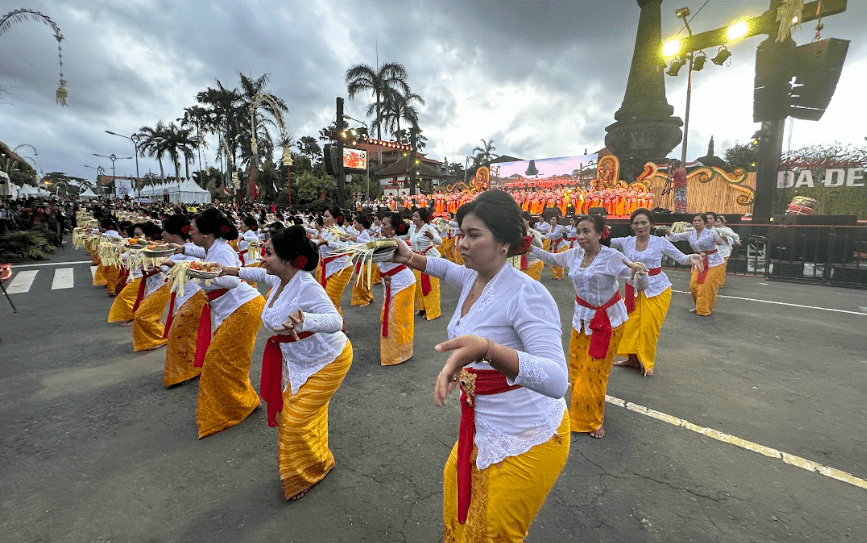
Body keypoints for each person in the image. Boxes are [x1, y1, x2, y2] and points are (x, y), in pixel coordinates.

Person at [392, 190, 570, 541]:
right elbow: (445, 268)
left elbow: (556, 380)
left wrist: (487, 349)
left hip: (528, 436)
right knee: (458, 507)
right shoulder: (475, 278)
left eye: (474, 235)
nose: (462, 244)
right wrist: (410, 256)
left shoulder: (526, 294)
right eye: (461, 234)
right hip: (482, 426)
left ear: (504, 243)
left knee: (492, 531)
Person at [220, 226, 352, 500]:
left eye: (267, 253)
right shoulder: (281, 279)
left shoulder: (307, 286)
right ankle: (317, 460)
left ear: (289, 260)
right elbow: (256, 272)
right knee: (303, 414)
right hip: (300, 359)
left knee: (293, 419)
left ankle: (307, 473)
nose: (262, 257)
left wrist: (306, 320)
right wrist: (229, 270)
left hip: (329, 359)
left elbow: (337, 321)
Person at [531, 214, 648, 438]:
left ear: (600, 233)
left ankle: (593, 421)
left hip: (608, 322)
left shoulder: (613, 257)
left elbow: (638, 283)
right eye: (579, 231)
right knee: (576, 369)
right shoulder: (574, 254)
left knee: (594, 372)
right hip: (582, 320)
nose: (581, 236)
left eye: (587, 231)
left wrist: (640, 274)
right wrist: (529, 247)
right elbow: (552, 259)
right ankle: (586, 408)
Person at [172, 208, 264, 438]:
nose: (189, 233)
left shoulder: (221, 250)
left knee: (218, 362)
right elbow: (199, 253)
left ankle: (237, 405)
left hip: (243, 309)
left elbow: (232, 281)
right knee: (228, 361)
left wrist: (198, 273)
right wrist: (183, 250)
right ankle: (243, 402)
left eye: (191, 230)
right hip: (234, 309)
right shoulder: (211, 247)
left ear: (205, 233)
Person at [611, 209, 702, 376]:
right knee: (627, 325)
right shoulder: (626, 241)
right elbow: (605, 241)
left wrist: (691, 258)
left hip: (657, 290)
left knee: (648, 329)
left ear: (651, 224)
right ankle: (631, 359)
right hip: (634, 288)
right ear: (631, 226)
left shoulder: (660, 242)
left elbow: (681, 258)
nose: (640, 226)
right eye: (636, 223)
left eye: (644, 222)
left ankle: (647, 362)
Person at [160, 214, 206, 387]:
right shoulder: (173, 249)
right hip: (183, 298)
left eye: (165, 230)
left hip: (194, 297)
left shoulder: (191, 249)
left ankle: (187, 370)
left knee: (178, 335)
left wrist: (166, 263)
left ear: (173, 233)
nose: (162, 234)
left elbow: (194, 266)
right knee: (185, 335)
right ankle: (191, 367)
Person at [376, 212, 416, 366]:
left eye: (385, 224)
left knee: (397, 319)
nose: (381, 226)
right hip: (389, 283)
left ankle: (399, 353)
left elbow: (407, 256)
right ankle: (391, 352)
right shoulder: (381, 241)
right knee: (387, 317)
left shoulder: (397, 242)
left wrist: (396, 242)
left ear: (393, 229)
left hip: (403, 283)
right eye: (382, 223)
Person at [666, 214, 725, 316]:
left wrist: (723, 237)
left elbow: (725, 242)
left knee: (705, 286)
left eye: (699, 220)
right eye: (695, 221)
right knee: (694, 285)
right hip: (699, 262)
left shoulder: (712, 233)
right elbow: (674, 237)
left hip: (714, 262)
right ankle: (698, 306)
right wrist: (667, 231)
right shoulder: (690, 234)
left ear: (704, 223)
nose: (697, 222)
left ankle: (704, 309)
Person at [129, 222, 171, 352]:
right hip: (151, 286)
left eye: (138, 235)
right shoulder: (144, 248)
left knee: (143, 315)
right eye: (134, 235)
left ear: (147, 236)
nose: (136, 237)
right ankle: (152, 338)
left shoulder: (160, 248)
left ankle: (161, 337)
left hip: (162, 286)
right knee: (145, 315)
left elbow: (165, 261)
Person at [313, 207, 354, 316]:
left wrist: (327, 243)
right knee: (326, 300)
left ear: (335, 220)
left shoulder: (339, 231)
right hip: (328, 268)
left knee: (331, 300)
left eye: (327, 216)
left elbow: (347, 247)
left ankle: (336, 328)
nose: (324, 219)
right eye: (323, 216)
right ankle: (340, 327)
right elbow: (321, 246)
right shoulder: (325, 232)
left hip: (341, 268)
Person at [405, 207, 442, 320]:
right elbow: (403, 237)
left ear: (422, 219)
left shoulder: (429, 228)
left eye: (416, 216)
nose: (413, 218)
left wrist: (432, 237)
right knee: (419, 285)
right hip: (417, 259)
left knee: (430, 286)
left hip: (430, 259)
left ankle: (432, 310)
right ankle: (421, 308)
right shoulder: (412, 229)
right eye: (413, 216)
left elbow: (439, 241)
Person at [347, 215, 375, 307]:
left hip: (366, 261)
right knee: (362, 280)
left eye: (355, 224)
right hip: (361, 260)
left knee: (362, 281)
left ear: (360, 224)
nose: (354, 226)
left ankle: (365, 300)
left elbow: (366, 245)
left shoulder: (365, 234)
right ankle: (369, 297)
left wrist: (354, 239)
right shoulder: (360, 234)